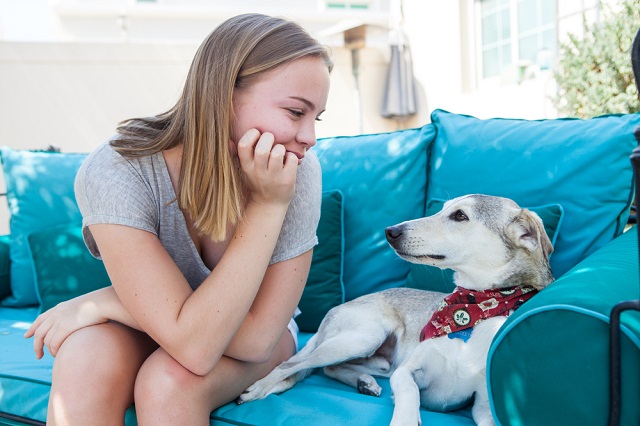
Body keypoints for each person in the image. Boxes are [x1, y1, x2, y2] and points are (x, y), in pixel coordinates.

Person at [24, 13, 332, 425]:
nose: (310, 137)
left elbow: (254, 339)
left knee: (168, 381)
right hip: (160, 322)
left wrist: (268, 205)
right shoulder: (119, 170)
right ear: (222, 95)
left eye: (317, 118)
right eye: (296, 112)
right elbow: (192, 339)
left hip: (260, 338)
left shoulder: (297, 171)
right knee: (84, 360)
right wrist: (173, 323)